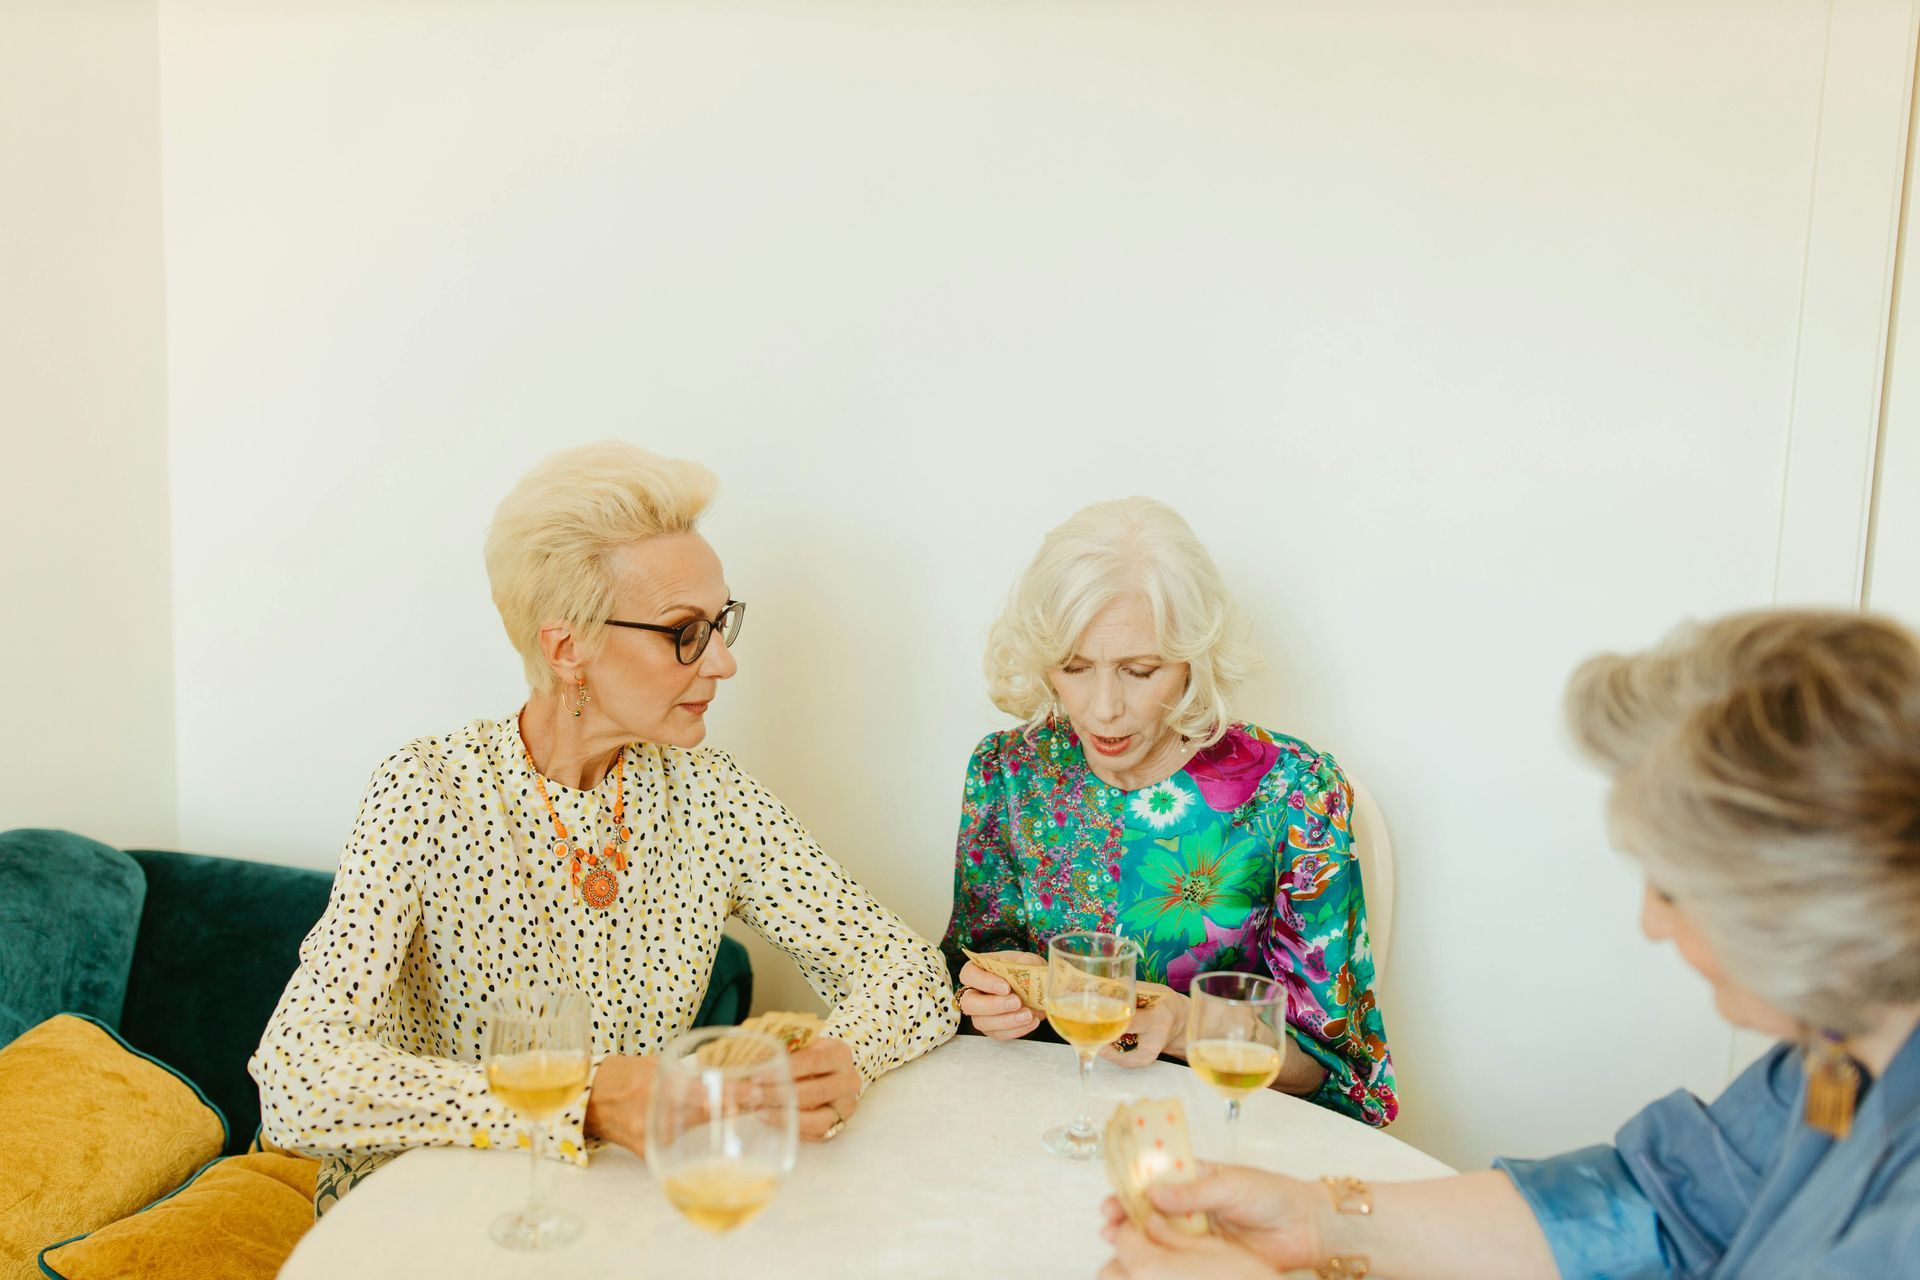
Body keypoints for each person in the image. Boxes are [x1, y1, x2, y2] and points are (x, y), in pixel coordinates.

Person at [1098, 609, 1920, 1279]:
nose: (1652, 923)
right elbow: (1663, 1206)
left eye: (1672, 886)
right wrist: (1316, 1220)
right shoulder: (1840, 1055)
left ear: (1807, 897)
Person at [251, 441, 957, 1213]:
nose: (722, 663)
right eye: (685, 630)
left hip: (613, 1208)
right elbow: (296, 1079)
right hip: (425, 1213)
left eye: (722, 622)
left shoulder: (710, 797)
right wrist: (578, 1101)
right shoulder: (430, 791)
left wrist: (846, 1054)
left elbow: (910, 972)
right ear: (568, 648)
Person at [940, 497, 1395, 1125]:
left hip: (1221, 1138)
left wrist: (1184, 1026)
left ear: (1192, 660)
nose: (1103, 708)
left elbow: (1336, 1070)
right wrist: (987, 998)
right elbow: (962, 977)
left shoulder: (1294, 791)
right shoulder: (1008, 771)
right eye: (1074, 668)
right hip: (1039, 1126)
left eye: (1140, 670)